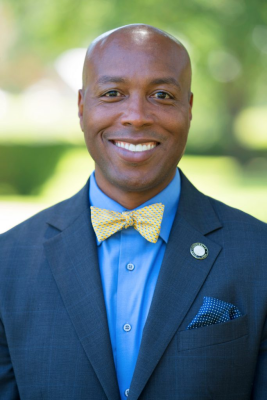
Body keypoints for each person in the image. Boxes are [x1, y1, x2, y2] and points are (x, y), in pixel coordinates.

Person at [0, 24, 266, 400]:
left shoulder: (260, 254)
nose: (136, 116)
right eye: (112, 93)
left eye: (161, 94)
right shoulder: (6, 263)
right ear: (81, 107)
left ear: (188, 108)